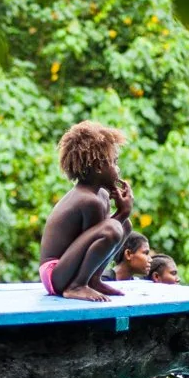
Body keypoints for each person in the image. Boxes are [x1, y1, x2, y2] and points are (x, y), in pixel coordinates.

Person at [39, 121, 133, 303]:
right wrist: (123, 212)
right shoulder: (88, 200)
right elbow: (103, 237)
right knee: (114, 228)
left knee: (124, 226)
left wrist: (122, 215)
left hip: (67, 270)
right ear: (98, 168)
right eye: (114, 162)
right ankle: (77, 286)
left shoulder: (101, 195)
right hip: (55, 274)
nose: (118, 169)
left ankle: (92, 280)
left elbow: (95, 246)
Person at [137, 252, 189, 378]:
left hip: (166, 360)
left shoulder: (178, 303)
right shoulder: (144, 302)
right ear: (156, 277)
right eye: (173, 274)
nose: (178, 278)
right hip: (146, 356)